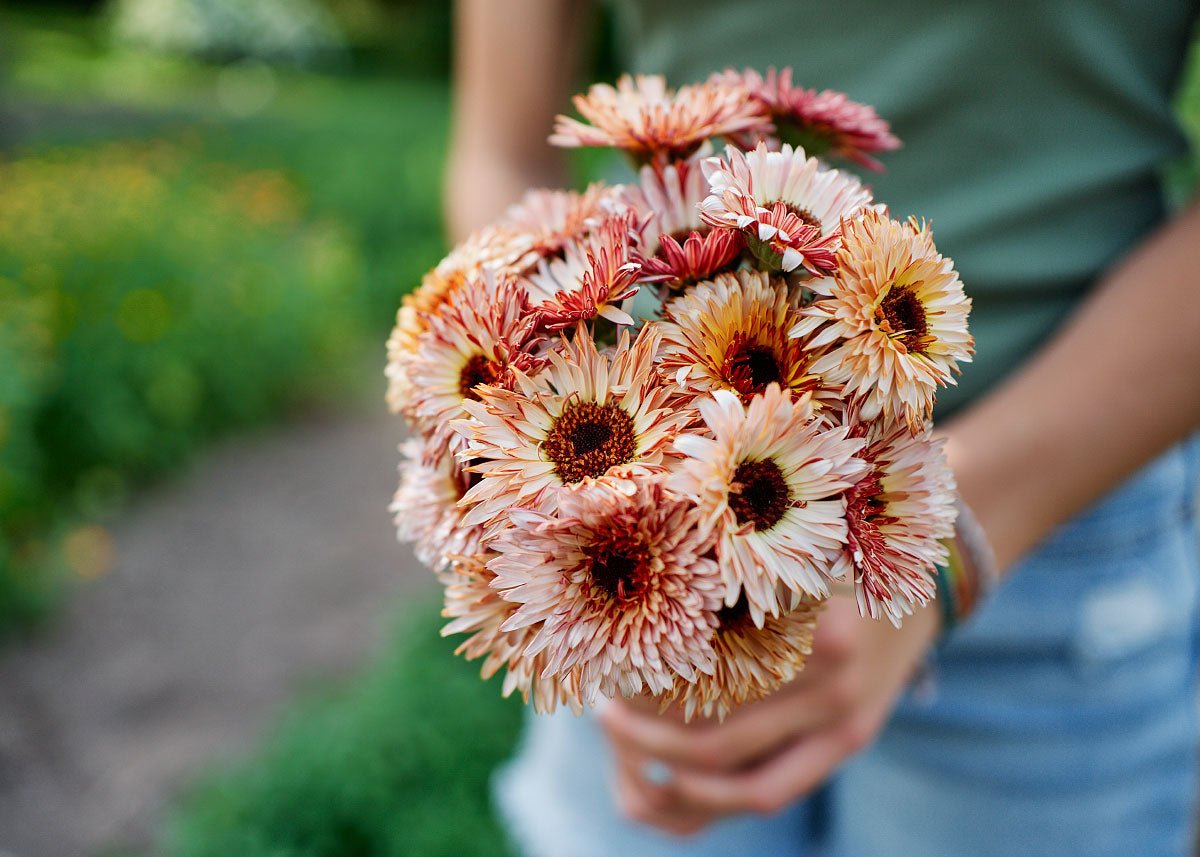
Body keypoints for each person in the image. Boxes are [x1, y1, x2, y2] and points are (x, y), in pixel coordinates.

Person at [445, 1, 1200, 854]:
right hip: (640, 558)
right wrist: (528, 403)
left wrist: (953, 526)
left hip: (1055, 539)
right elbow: (499, 151)